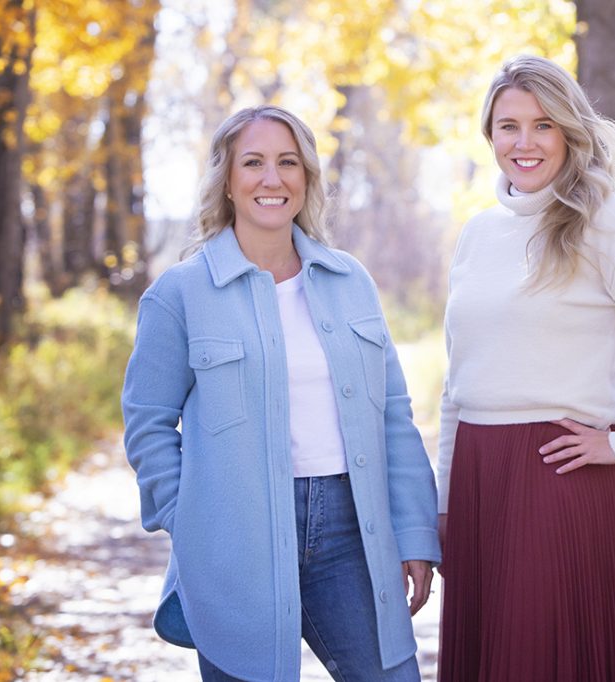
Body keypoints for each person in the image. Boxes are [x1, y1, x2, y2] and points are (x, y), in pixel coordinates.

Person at [121, 105, 440, 682]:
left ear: (307, 176)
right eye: (254, 162)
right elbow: (147, 425)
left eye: (287, 162)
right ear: (227, 180)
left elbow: (394, 415)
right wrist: (190, 520)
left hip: (350, 534)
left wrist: (414, 529)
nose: (272, 179)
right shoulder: (181, 293)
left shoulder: (350, 281)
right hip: (234, 541)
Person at [436, 55, 615, 682]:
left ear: (570, 130)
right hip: (480, 482)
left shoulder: (606, 221)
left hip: (560, 475)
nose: (525, 142)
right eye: (508, 126)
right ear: (490, 137)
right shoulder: (477, 235)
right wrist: (446, 499)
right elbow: (458, 385)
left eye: (543, 124)